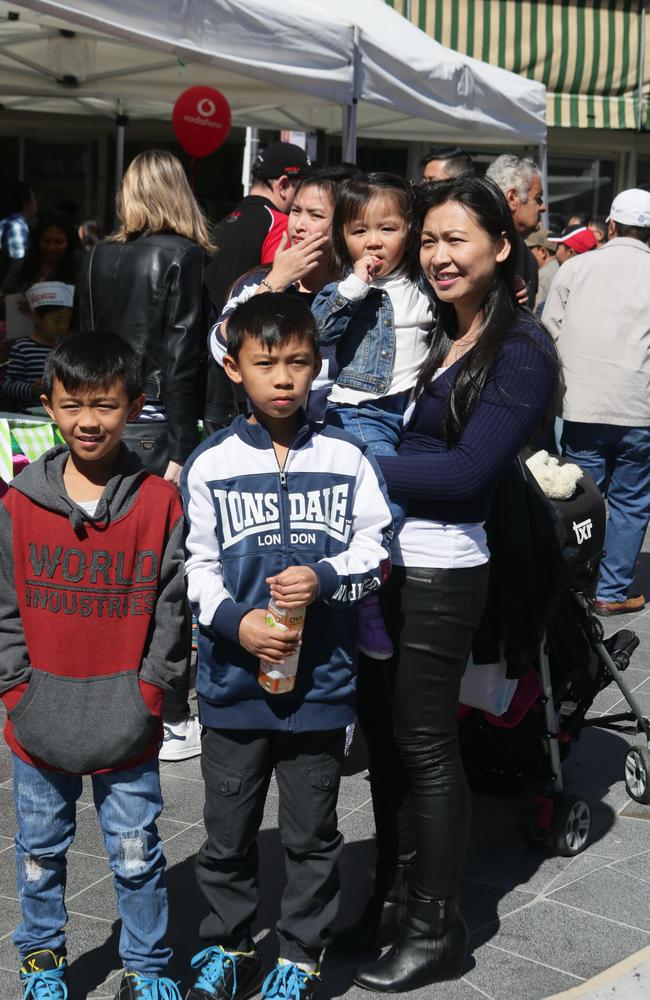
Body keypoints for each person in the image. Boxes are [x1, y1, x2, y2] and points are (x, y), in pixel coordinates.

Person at [344, 176, 556, 993]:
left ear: (501, 247)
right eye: (428, 240)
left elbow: (470, 473)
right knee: (389, 742)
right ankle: (391, 902)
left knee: (427, 743)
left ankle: (438, 925)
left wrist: (355, 465)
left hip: (446, 570)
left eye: (456, 239)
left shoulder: (522, 348)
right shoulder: (435, 332)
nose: (437, 256)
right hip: (391, 565)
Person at [181, 294, 392, 1000]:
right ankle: (231, 942)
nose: (282, 378)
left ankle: (300, 952)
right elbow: (196, 567)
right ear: (234, 367)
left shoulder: (347, 455)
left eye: (297, 362)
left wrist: (329, 574)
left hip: (322, 686)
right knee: (228, 831)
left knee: (311, 834)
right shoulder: (210, 464)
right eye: (264, 363)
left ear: (317, 367)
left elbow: (377, 547)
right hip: (234, 687)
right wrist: (232, 621)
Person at [0, 334, 188, 1000]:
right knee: (39, 854)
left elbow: (173, 608)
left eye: (106, 405)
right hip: (38, 719)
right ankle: (42, 960)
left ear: (134, 405)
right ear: (48, 406)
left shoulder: (159, 504)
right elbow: (3, 610)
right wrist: (17, 689)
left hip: (127, 717)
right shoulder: (18, 506)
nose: (89, 420)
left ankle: (146, 966)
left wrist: (153, 689)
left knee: (137, 855)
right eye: (73, 404)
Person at [78, 149, 212, 761]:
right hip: (159, 423)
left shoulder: (99, 255)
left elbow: (83, 339)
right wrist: (184, 444)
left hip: (102, 414)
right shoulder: (182, 256)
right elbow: (183, 356)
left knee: (111, 561)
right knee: (165, 571)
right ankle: (173, 711)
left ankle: (104, 690)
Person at [312, 173, 434, 658]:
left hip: (416, 409)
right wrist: (353, 285)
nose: (374, 241)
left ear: (410, 230)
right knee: (388, 498)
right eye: (359, 229)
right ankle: (362, 590)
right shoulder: (350, 286)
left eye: (387, 228)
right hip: (361, 410)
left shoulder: (424, 281)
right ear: (343, 235)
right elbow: (318, 325)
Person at [542, 188, 650, 616]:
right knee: (631, 500)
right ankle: (612, 590)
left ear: (610, 226)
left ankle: (569, 583)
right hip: (640, 406)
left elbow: (549, 330)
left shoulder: (577, 268)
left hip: (582, 403)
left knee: (580, 495)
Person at [208, 167, 353, 417]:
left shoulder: (355, 288)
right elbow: (220, 347)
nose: (299, 225)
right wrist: (275, 281)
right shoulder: (257, 281)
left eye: (315, 215)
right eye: (295, 211)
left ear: (342, 227)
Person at [202, 141, 311, 432]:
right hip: (249, 384)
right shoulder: (278, 224)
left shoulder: (222, 222)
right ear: (285, 185)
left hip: (215, 377)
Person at [485, 154, 546, 307]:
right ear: (512, 198)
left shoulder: (522, 252)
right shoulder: (482, 243)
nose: (543, 207)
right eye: (537, 198)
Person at [2, 281, 74, 408]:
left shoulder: (65, 347)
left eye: (66, 321)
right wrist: (31, 389)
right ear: (36, 317)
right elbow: (8, 385)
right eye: (57, 321)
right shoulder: (22, 348)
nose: (62, 326)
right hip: (28, 413)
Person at [2, 210, 78, 296]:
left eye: (59, 242)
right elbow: (6, 294)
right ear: (37, 241)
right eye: (46, 241)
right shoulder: (20, 268)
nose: (52, 247)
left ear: (68, 243)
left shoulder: (78, 272)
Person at [0, 181, 37, 263]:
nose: (36, 202)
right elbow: (18, 261)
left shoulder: (3, 223)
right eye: (33, 198)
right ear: (25, 203)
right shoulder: (17, 226)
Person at [525, 229, 558, 314]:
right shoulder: (560, 267)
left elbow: (536, 313)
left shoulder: (543, 275)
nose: (527, 253)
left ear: (542, 252)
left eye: (529, 249)